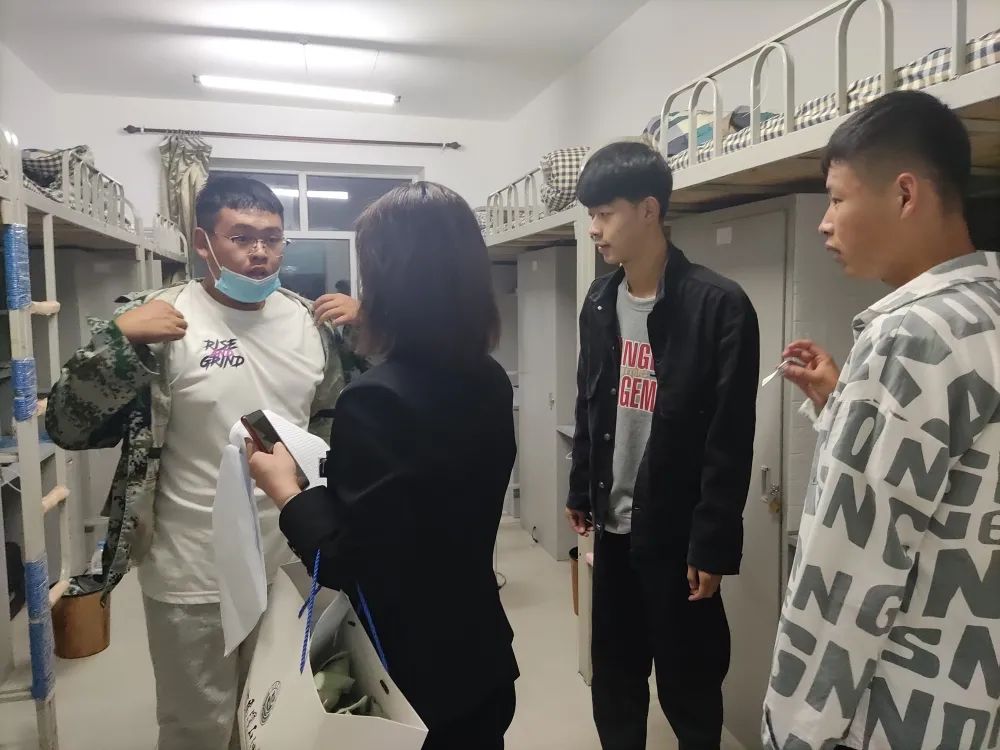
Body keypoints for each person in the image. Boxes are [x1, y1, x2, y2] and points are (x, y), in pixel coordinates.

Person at [45, 175, 362, 750]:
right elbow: (67, 427)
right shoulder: (159, 319)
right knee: (197, 725)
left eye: (272, 238)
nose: (260, 252)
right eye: (240, 237)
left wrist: (373, 329)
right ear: (202, 242)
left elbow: (354, 423)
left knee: (277, 715)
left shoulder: (312, 324)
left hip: (288, 557)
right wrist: (116, 343)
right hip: (190, 566)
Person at [763, 90, 1000, 750]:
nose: (824, 223)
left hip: (902, 707)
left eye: (837, 199)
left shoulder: (908, 337)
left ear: (904, 194)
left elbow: (844, 577)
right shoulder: (985, 309)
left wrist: (793, 731)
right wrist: (842, 403)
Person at [247, 181, 519, 750]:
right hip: (480, 654)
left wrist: (288, 492)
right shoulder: (489, 379)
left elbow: (349, 560)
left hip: (412, 680)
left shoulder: (375, 398)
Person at [565, 141, 760, 750]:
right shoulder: (600, 301)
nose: (594, 229)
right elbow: (590, 399)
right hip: (613, 532)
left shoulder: (719, 306)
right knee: (615, 679)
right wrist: (580, 486)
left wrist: (713, 542)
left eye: (605, 214)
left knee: (690, 686)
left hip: (677, 537)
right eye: (590, 215)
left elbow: (730, 437)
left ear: (649, 210)